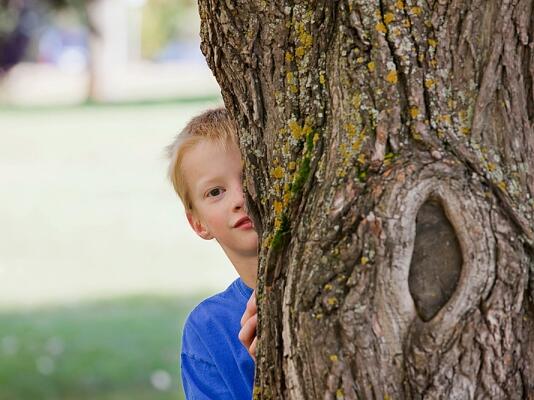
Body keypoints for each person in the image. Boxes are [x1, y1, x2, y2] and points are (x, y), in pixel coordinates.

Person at [167, 107, 258, 399]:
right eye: (215, 192)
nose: (239, 198)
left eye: (250, 176)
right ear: (198, 224)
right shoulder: (208, 331)